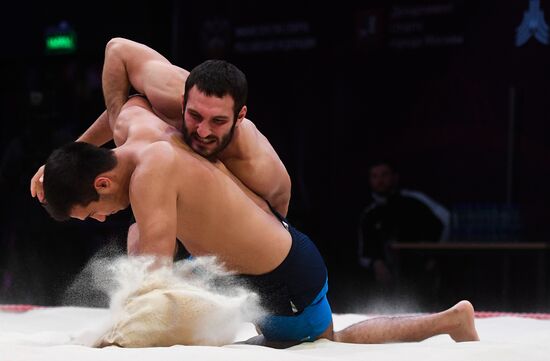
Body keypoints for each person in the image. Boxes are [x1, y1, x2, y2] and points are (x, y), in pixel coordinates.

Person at [40, 87, 479, 346]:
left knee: (329, 344)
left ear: (101, 184)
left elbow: (153, 283)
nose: (99, 221)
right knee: (140, 235)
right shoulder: (136, 123)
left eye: (90, 213)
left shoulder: (147, 178)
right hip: (270, 244)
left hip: (284, 278)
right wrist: (57, 165)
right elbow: (119, 53)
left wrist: (113, 337)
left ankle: (449, 320)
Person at [31, 37, 291, 217]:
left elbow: (276, 223)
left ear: (239, 117)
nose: (202, 131)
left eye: (218, 121)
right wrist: (70, 159)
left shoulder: (254, 165)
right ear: (182, 102)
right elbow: (117, 49)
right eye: (194, 116)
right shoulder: (167, 92)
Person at [358, 160, 450, 286]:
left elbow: (447, 219)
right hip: (387, 284)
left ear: (394, 177)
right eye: (375, 176)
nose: (380, 180)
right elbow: (363, 253)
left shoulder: (414, 200)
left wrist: (435, 255)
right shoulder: (369, 214)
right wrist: (376, 263)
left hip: (421, 275)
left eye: (384, 175)